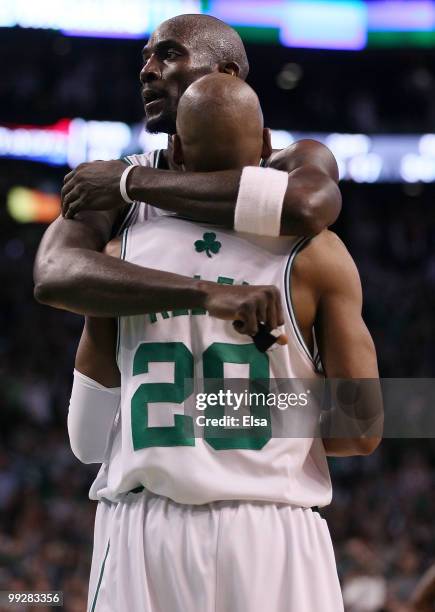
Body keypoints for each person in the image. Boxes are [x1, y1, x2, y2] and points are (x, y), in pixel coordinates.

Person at [69, 73, 381, 611]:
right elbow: (360, 430)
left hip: (147, 535)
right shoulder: (318, 254)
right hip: (276, 537)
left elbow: (87, 439)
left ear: (176, 150)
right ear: (265, 149)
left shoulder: (117, 258)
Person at [33, 14, 342, 320]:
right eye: (146, 58)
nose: (147, 71)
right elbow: (52, 273)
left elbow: (308, 206)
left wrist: (133, 184)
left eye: (169, 55)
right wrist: (203, 294)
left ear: (227, 73)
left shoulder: (293, 160)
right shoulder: (114, 178)